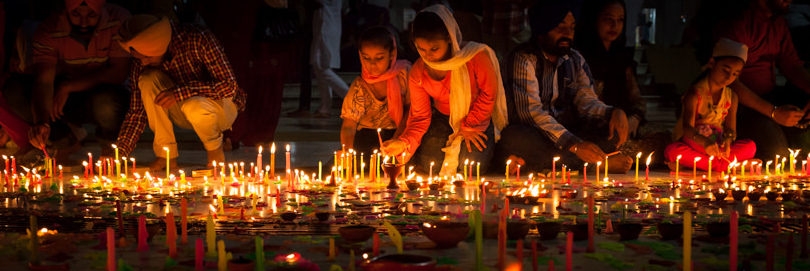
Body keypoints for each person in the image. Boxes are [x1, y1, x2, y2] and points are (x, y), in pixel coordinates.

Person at [494, 0, 633, 174]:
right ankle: (593, 165)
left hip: (568, 132)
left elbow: (586, 101)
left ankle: (547, 165)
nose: (567, 34)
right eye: (560, 27)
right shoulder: (523, 59)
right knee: (514, 140)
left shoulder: (575, 59)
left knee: (607, 129)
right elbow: (531, 114)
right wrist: (575, 145)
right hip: (536, 133)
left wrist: (612, 112)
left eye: (572, 27)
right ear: (542, 29)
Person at [381, 4, 508, 176]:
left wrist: (470, 126)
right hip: (442, 118)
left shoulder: (474, 56)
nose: (428, 55)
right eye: (422, 49)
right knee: (430, 166)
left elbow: (488, 94)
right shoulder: (419, 72)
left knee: (470, 168)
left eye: (434, 48)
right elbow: (420, 116)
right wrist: (403, 143)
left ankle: (495, 152)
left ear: (449, 38)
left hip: (477, 116)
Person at [113, 14, 245, 171]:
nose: (143, 62)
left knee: (194, 104)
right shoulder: (141, 64)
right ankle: (166, 156)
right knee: (148, 79)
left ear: (158, 45)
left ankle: (215, 155)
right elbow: (137, 112)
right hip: (181, 111)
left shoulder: (198, 39)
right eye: (139, 58)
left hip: (221, 108)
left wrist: (180, 93)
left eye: (147, 57)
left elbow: (229, 86)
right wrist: (120, 152)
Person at [17, 0, 132, 163]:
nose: (84, 22)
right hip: (65, 101)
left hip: (106, 95)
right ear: (66, 10)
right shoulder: (50, 28)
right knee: (17, 89)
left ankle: (109, 148)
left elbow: (118, 73)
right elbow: (43, 82)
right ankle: (61, 142)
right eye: (76, 14)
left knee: (107, 101)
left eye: (91, 15)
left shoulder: (118, 19)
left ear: (101, 9)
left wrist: (69, 86)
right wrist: (42, 121)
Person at [574, 0, 669, 162]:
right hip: (593, 128)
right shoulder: (578, 57)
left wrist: (634, 118)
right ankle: (606, 161)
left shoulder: (622, 58)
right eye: (608, 19)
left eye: (620, 20)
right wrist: (611, 117)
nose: (614, 25)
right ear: (594, 19)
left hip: (623, 126)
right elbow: (582, 105)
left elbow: (637, 100)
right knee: (605, 144)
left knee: (663, 140)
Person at [716, 0, 810, 159]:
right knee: (777, 155)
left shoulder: (778, 24)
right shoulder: (739, 23)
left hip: (769, 97)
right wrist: (773, 113)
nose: (790, 0)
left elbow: (792, 65)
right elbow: (730, 82)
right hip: (741, 107)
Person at [664, 38, 756, 172]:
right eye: (725, 70)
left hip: (717, 145)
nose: (729, 77)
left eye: (735, 74)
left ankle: (700, 164)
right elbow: (687, 128)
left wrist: (728, 141)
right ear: (712, 63)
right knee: (671, 151)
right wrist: (705, 142)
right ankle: (733, 165)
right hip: (695, 143)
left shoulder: (732, 97)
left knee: (751, 146)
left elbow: (731, 129)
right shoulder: (695, 94)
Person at [340, 26, 411, 159]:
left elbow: (411, 110)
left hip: (400, 135)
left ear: (392, 54)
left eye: (379, 58)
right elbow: (349, 125)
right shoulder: (360, 86)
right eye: (366, 58)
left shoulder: (403, 74)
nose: (372, 64)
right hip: (367, 138)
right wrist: (347, 151)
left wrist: (398, 139)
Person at [311, 0, 348, 118]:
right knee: (321, 68)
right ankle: (325, 107)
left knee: (322, 68)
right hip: (327, 26)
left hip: (326, 27)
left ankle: (354, 99)